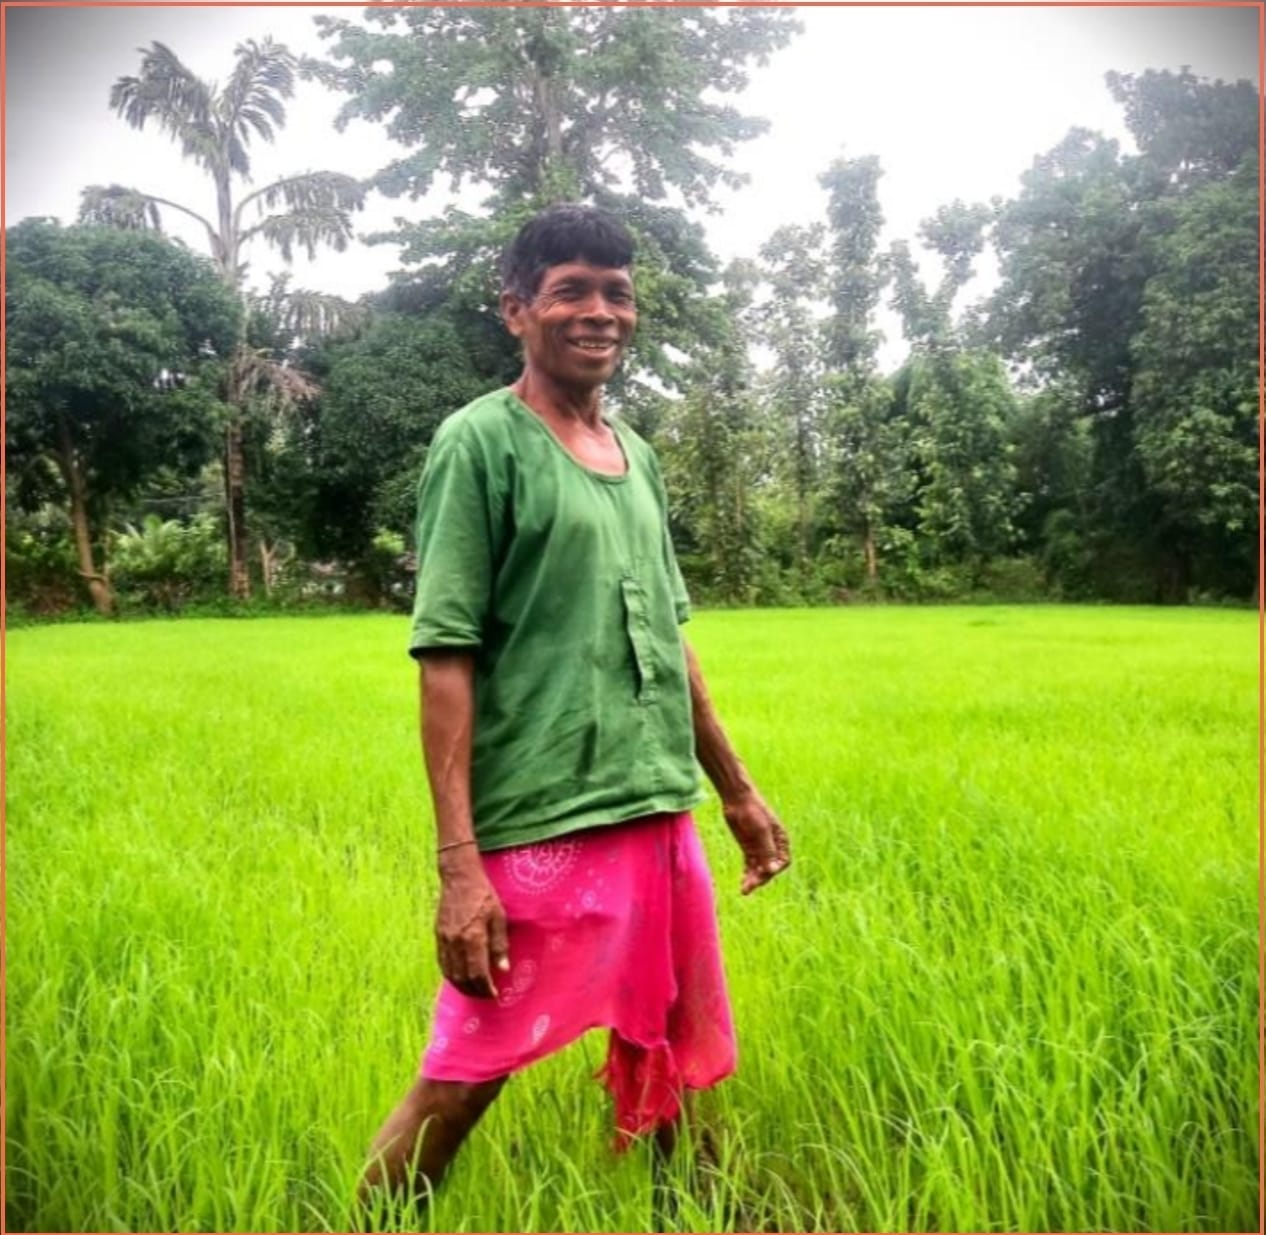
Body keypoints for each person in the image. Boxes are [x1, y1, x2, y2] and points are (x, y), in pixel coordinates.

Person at [361, 204, 790, 1207]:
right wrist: (458, 866)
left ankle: (693, 1210)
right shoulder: (480, 443)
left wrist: (735, 789)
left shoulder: (635, 453)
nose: (600, 311)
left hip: (655, 802)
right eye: (571, 291)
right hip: (542, 814)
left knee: (670, 1030)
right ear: (517, 309)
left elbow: (669, 636)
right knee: (469, 1064)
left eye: (617, 293)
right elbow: (445, 655)